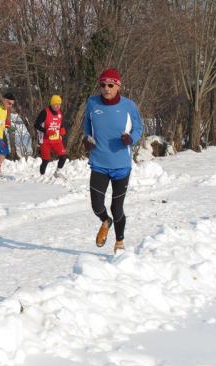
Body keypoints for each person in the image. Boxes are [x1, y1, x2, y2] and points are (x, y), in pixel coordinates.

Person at [82, 68, 142, 253]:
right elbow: (87, 127)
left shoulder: (128, 105)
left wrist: (130, 139)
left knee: (117, 208)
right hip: (99, 162)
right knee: (96, 205)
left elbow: (139, 128)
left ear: (118, 86)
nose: (106, 89)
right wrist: (87, 139)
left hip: (121, 165)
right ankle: (105, 221)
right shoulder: (92, 103)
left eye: (110, 85)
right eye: (103, 85)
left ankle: (119, 242)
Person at [34, 94, 68, 178]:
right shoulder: (44, 112)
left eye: (59, 104)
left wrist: (62, 129)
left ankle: (58, 172)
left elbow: (61, 124)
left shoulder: (60, 113)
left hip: (56, 140)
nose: (57, 106)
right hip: (45, 140)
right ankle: (41, 176)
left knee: (63, 156)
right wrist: (46, 131)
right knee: (46, 160)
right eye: (56, 104)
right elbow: (36, 125)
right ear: (52, 104)